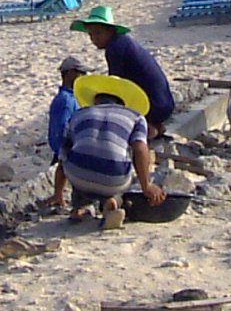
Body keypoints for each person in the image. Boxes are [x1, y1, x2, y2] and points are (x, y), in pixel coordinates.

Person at [51, 74, 166, 229]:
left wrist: (58, 194)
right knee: (124, 169)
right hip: (114, 178)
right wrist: (147, 186)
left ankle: (79, 208)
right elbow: (140, 148)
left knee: (79, 158)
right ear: (123, 102)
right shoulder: (136, 117)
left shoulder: (79, 114)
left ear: (95, 100)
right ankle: (113, 201)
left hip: (78, 175)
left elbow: (62, 156)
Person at [70, 4, 176, 136]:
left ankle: (148, 129)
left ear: (110, 31)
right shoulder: (123, 42)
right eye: (91, 34)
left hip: (155, 106)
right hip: (164, 103)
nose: (94, 39)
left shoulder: (115, 48)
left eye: (98, 33)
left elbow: (115, 86)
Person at [47, 55, 88, 161]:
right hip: (67, 157)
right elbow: (61, 132)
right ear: (71, 73)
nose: (84, 76)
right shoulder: (66, 100)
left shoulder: (70, 97)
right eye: (81, 73)